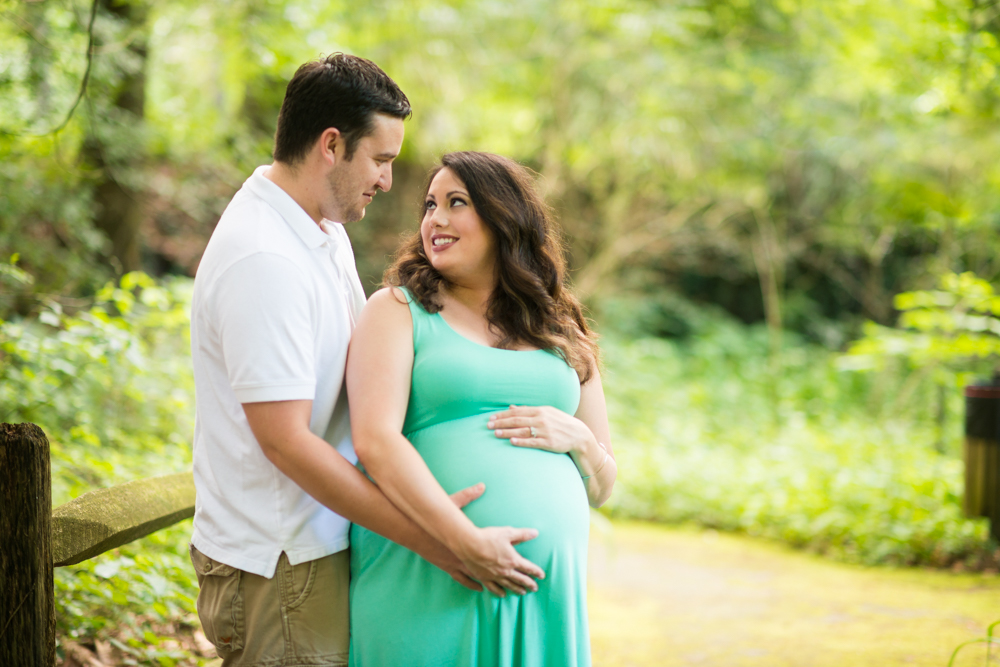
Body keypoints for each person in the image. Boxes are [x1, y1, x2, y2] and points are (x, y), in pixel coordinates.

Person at [188, 55, 537, 667]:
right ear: (331, 145)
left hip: (320, 552)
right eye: (381, 159)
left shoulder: (319, 232)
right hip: (283, 566)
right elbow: (287, 443)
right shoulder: (263, 258)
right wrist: (439, 541)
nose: (387, 181)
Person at [347, 151, 618, 666]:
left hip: (543, 600)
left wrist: (583, 443)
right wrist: (465, 540)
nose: (436, 219)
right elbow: (375, 441)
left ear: (502, 219)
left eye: (456, 203)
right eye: (429, 205)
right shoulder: (397, 310)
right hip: (431, 568)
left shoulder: (562, 331)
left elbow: (602, 488)